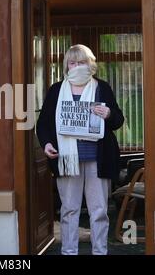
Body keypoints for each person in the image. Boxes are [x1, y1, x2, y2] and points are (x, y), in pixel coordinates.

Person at [36, 44, 124, 255]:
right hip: (67, 159)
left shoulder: (101, 87)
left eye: (81, 62)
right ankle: (69, 252)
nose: (77, 66)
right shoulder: (57, 90)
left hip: (97, 159)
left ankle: (100, 252)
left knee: (99, 211)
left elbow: (118, 121)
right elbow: (44, 124)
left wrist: (109, 113)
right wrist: (47, 144)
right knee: (69, 210)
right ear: (66, 65)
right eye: (72, 62)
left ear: (90, 64)